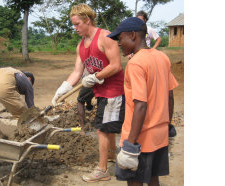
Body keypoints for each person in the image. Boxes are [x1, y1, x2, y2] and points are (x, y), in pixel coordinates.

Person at [51, 3, 125, 182]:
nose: (75, 28)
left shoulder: (105, 36)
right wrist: (63, 89)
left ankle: (102, 171)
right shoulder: (81, 45)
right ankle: (112, 157)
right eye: (73, 24)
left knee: (102, 129)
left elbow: (116, 65)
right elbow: (77, 72)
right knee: (107, 128)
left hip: (113, 91)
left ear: (88, 20)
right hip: (100, 91)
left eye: (77, 24)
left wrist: (95, 76)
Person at [107, 17, 178, 186]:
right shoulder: (162, 58)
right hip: (159, 136)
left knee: (135, 182)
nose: (118, 43)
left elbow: (140, 105)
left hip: (141, 138)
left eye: (120, 38)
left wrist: (130, 144)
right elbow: (170, 96)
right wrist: (166, 125)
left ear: (132, 35)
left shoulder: (135, 63)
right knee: (154, 179)